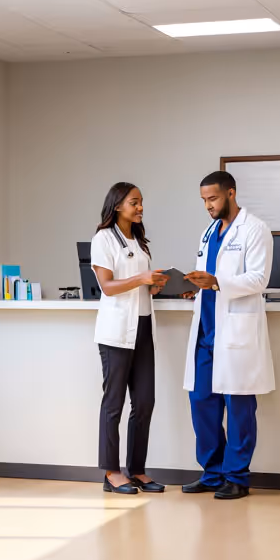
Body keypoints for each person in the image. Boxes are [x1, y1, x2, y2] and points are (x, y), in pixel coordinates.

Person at [180, 171, 275, 500]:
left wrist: (217, 282)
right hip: (207, 331)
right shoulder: (209, 231)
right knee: (201, 402)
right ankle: (212, 472)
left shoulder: (255, 229)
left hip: (235, 331)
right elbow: (209, 276)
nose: (208, 206)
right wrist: (194, 287)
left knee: (238, 406)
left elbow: (259, 279)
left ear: (231, 193)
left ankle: (236, 476)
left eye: (213, 199)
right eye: (204, 200)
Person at [90, 182, 169, 495]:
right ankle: (112, 472)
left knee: (145, 401)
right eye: (134, 202)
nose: (140, 208)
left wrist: (153, 286)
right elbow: (107, 286)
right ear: (117, 205)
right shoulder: (103, 239)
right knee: (114, 404)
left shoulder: (138, 239)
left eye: (140, 203)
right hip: (115, 333)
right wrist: (141, 279)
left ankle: (137, 470)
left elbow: (136, 285)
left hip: (143, 326)